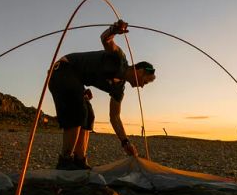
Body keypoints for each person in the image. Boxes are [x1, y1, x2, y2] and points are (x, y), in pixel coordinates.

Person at [48, 19, 156, 170]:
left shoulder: (119, 89)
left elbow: (115, 117)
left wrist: (125, 142)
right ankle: (65, 161)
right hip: (62, 70)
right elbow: (105, 39)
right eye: (146, 81)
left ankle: (80, 161)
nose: (143, 86)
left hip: (77, 81)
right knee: (79, 110)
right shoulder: (120, 59)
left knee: (89, 115)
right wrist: (113, 30)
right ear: (140, 70)